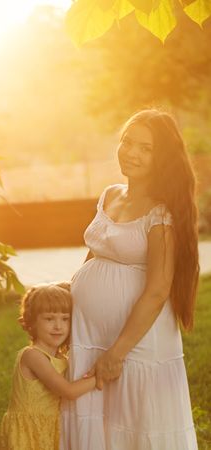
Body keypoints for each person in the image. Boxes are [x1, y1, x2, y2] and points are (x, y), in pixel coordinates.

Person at [61, 109, 199, 450]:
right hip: (91, 334)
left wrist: (117, 352)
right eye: (127, 141)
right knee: (98, 420)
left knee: (135, 426)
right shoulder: (110, 195)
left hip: (134, 343)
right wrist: (69, 300)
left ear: (162, 157)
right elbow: (96, 253)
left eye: (145, 148)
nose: (131, 152)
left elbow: (157, 291)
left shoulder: (161, 213)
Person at [0, 282, 96, 450]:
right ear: (32, 321)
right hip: (27, 431)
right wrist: (100, 377)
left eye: (65, 319)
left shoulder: (61, 358)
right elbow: (68, 391)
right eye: (49, 318)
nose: (58, 326)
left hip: (47, 429)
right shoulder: (33, 356)